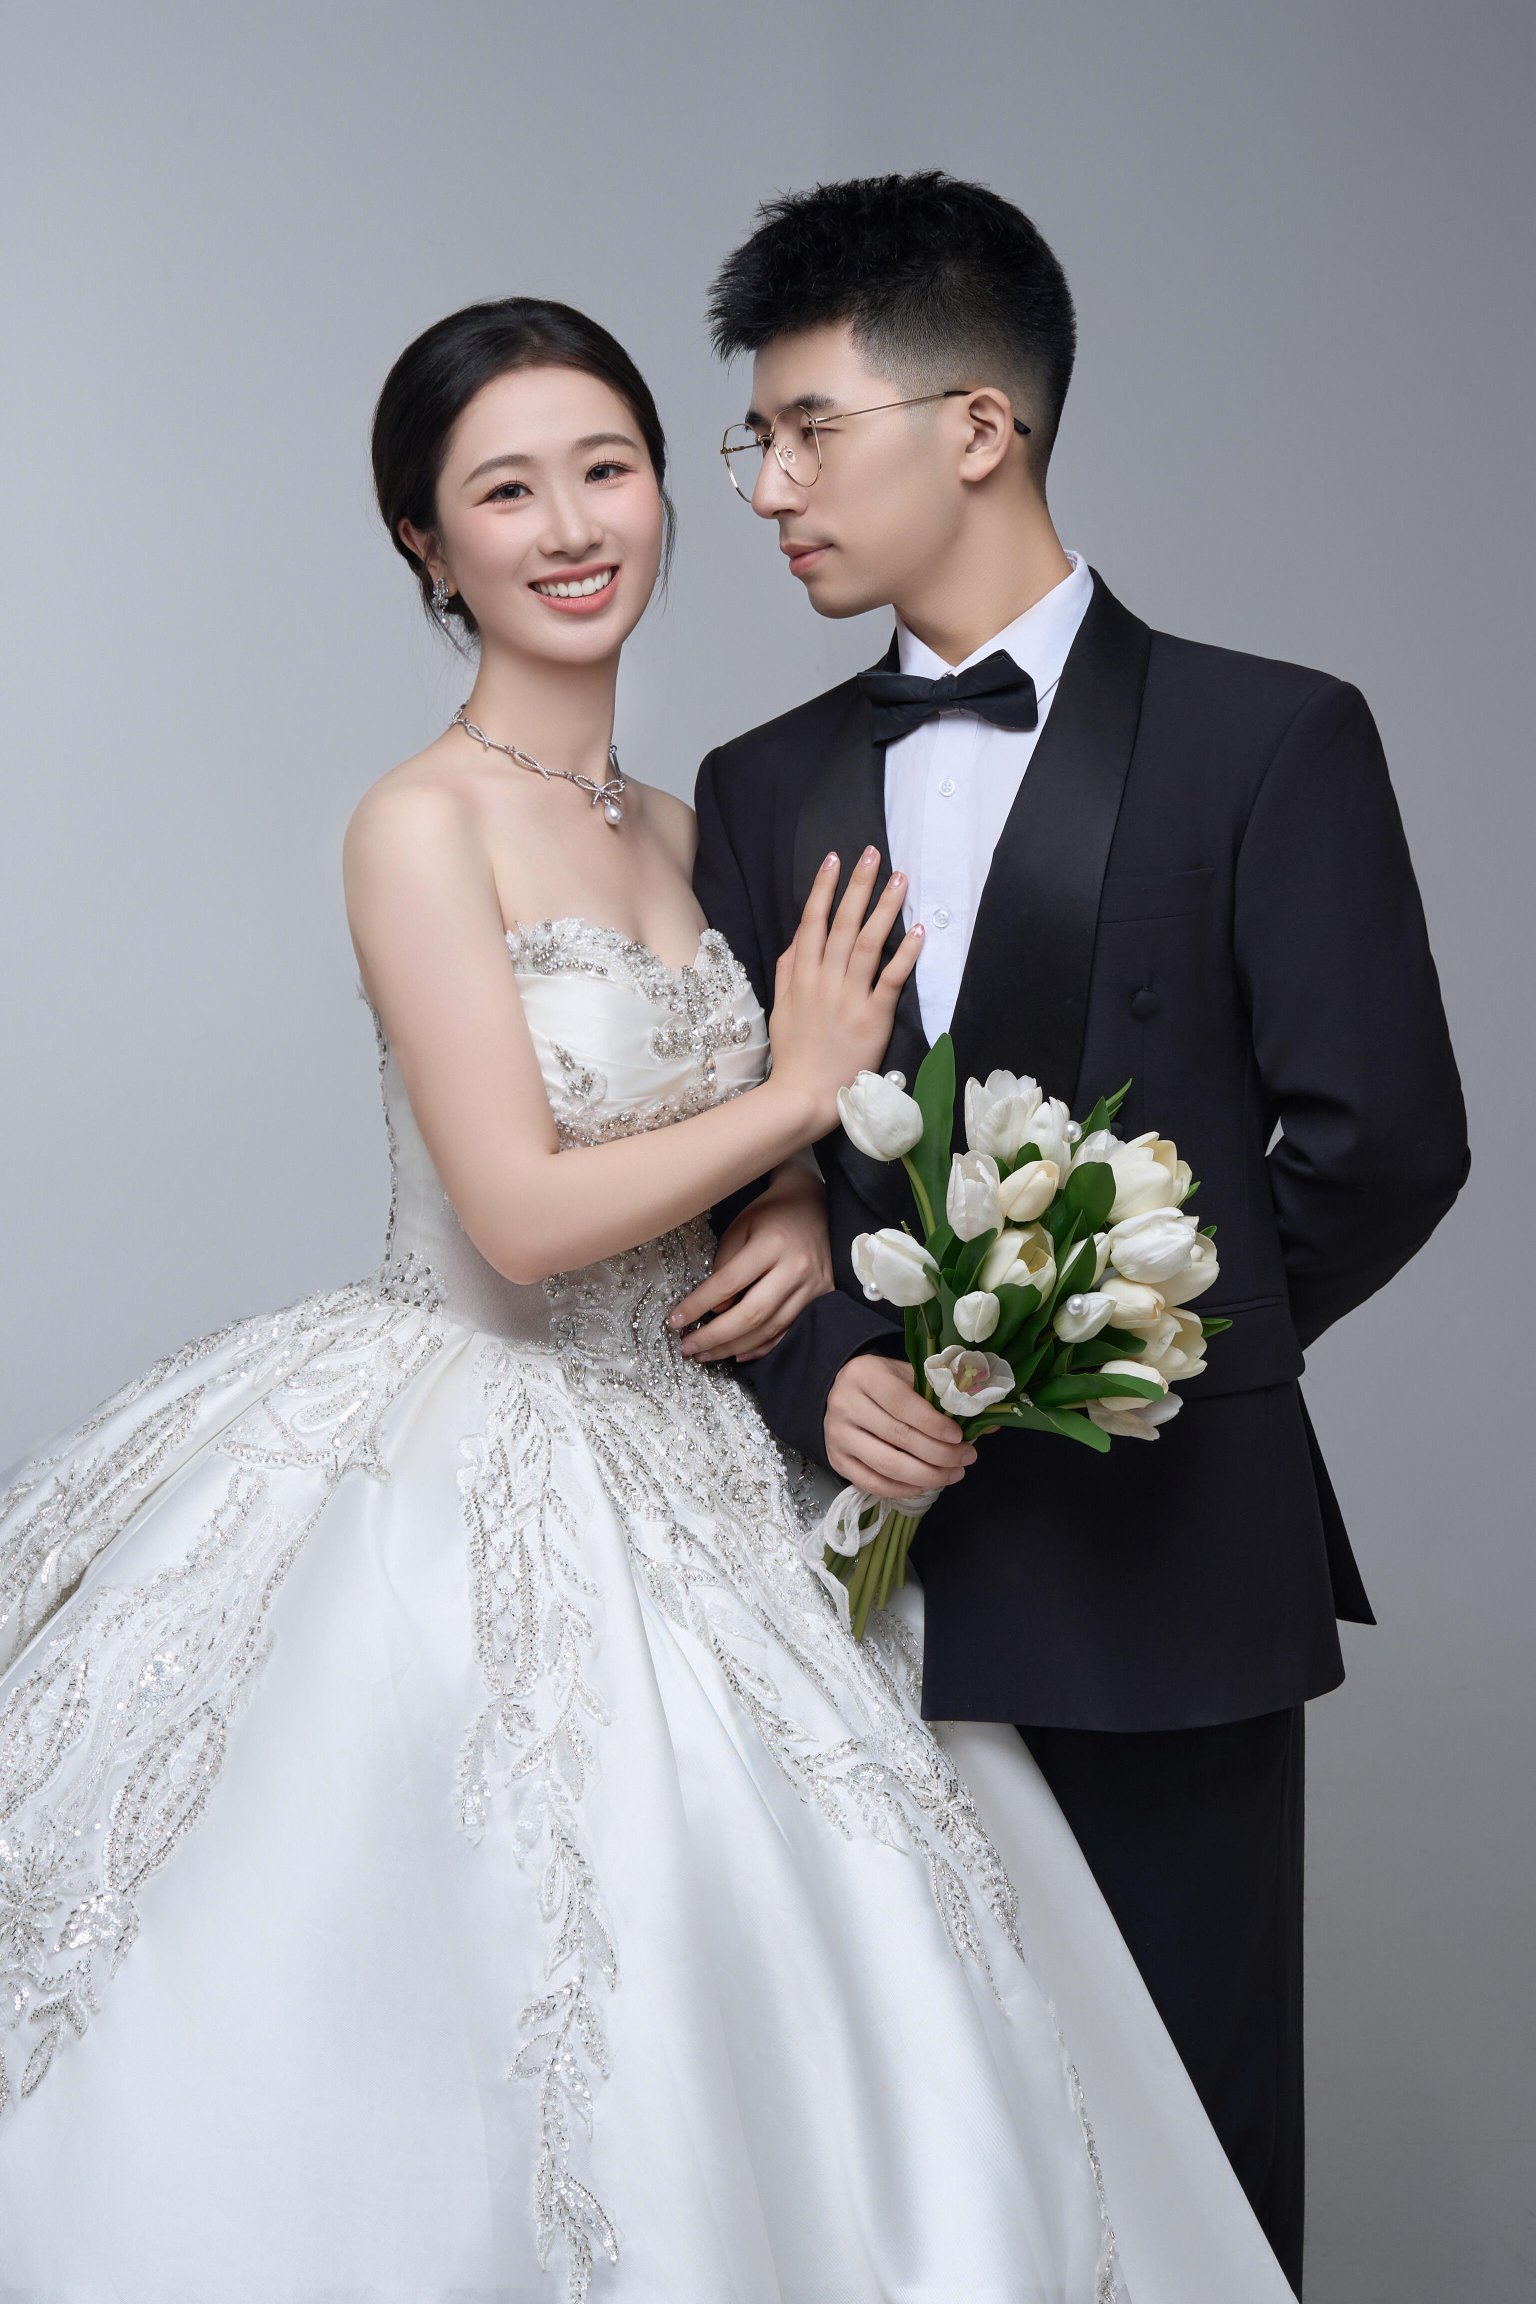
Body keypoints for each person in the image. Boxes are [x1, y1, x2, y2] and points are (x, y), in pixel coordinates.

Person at [0, 294, 1300, 2301]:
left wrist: (793, 1211)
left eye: (607, 469)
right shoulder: (415, 824)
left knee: (827, 1986)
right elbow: (523, 1213)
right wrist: (795, 1092)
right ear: (429, 546)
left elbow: (748, 1173)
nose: (571, 526)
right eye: (505, 492)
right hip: (469, 1440)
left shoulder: (699, 830)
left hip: (709, 1462)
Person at [693, 171, 1470, 2295]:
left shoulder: (1268, 736)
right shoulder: (757, 783)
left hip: (1167, 1567)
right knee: (884, 2181)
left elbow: (1385, 1136)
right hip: (847, 1588)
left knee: (1188, 2159)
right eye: (754, 441)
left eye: (806, 429)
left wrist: (1107, 1344)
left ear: (980, 425)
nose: (766, 488)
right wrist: (827, 1372)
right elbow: (741, 1178)